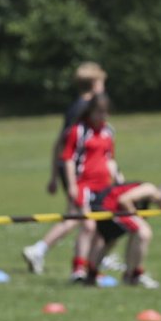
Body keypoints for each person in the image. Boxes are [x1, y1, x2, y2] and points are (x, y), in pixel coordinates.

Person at [23, 62, 107, 277]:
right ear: (95, 83)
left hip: (78, 170)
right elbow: (65, 144)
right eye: (102, 82)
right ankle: (39, 249)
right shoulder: (85, 107)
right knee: (78, 216)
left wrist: (53, 175)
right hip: (77, 171)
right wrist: (62, 177)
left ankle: (96, 256)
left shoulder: (81, 105)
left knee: (87, 216)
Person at [85, 181, 161, 288]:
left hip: (108, 206)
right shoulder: (151, 190)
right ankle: (135, 274)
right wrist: (137, 218)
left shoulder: (149, 199)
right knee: (144, 232)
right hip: (109, 205)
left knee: (110, 240)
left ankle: (91, 275)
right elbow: (124, 199)